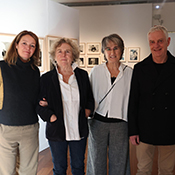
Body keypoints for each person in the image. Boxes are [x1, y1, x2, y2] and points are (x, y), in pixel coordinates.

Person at [37, 38, 94, 175]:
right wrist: (50, 116)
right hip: (57, 130)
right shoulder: (46, 78)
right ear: (54, 55)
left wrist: (87, 111)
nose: (63, 55)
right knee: (59, 168)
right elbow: (39, 104)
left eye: (67, 51)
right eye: (60, 51)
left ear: (73, 55)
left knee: (79, 166)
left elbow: (89, 99)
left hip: (78, 130)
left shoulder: (82, 75)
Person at [128, 25, 175, 175]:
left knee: (167, 170)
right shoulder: (140, 68)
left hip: (170, 128)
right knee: (143, 169)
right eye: (152, 42)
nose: (156, 46)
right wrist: (133, 130)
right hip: (145, 129)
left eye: (160, 41)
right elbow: (133, 102)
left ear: (168, 41)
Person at [87, 34, 132, 175]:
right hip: (97, 122)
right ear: (103, 52)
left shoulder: (129, 73)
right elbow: (88, 95)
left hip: (120, 124)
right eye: (108, 49)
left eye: (116, 48)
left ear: (121, 50)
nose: (112, 52)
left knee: (120, 161)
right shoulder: (96, 71)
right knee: (96, 160)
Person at [0, 30, 40, 175]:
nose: (28, 48)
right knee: (6, 171)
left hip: (29, 128)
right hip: (6, 128)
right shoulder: (2, 67)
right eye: (24, 43)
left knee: (28, 171)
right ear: (16, 45)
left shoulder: (35, 71)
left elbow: (35, 98)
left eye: (32, 45)